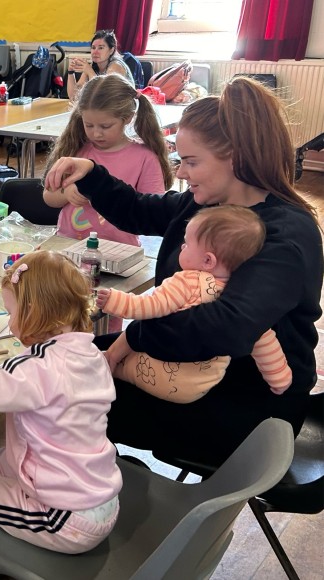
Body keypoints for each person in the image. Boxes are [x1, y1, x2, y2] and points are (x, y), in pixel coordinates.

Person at [44, 77, 323, 466]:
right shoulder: (204, 203)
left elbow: (221, 328)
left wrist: (132, 336)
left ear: (237, 158)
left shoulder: (285, 235)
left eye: (191, 162)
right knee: (56, 367)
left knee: (57, 392)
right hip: (187, 362)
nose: (182, 172)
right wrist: (90, 173)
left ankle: (81, 503)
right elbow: (139, 208)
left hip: (250, 405)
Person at [0, 251, 121, 580]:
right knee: (0, 464)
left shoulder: (38, 366)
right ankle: (3, 547)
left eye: (10, 312)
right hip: (102, 501)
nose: (9, 322)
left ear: (34, 313)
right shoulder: (91, 353)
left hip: (66, 519)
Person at [98, 205, 292, 402]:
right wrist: (279, 379)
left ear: (208, 261)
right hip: (195, 390)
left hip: (157, 374)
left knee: (119, 356)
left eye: (187, 244)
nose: (182, 247)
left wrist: (114, 300)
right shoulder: (239, 297)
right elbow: (267, 344)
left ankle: (110, 361)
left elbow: (149, 306)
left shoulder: (187, 281)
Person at [43, 74, 172, 246]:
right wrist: (65, 193)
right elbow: (48, 196)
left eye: (105, 126)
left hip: (120, 249)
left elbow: (152, 211)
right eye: (89, 125)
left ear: (127, 118)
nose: (96, 133)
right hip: (69, 244)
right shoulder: (76, 148)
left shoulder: (144, 157)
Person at [67, 30, 134, 101]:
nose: (95, 52)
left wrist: (89, 71)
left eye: (101, 48)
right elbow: (74, 97)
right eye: (93, 48)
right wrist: (70, 72)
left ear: (111, 50)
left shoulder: (116, 66)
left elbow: (105, 96)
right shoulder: (92, 66)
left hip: (124, 108)